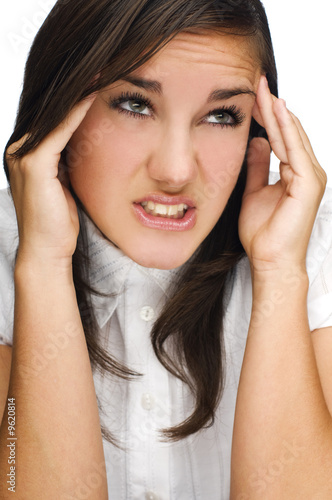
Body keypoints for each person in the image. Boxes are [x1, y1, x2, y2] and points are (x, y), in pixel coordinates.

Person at [0, 0, 331, 498]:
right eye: (135, 104)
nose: (176, 171)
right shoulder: (8, 251)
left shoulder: (311, 248)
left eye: (222, 115)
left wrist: (280, 272)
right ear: (60, 107)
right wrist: (43, 266)